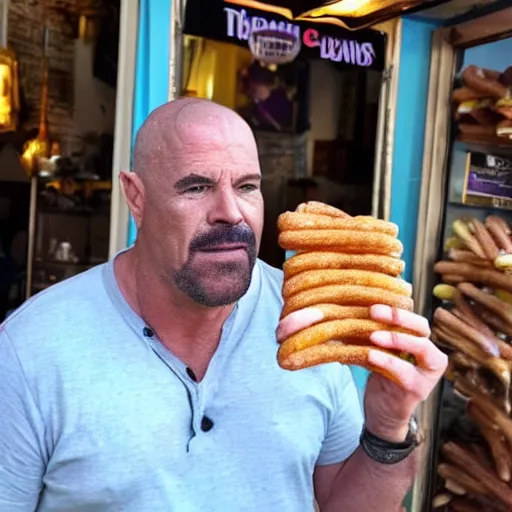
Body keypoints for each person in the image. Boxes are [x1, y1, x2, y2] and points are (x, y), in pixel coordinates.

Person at [0, 98, 447, 512]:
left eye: (248, 186)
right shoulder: (29, 351)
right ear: (137, 197)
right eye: (196, 187)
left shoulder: (310, 318)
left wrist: (388, 427)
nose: (231, 213)